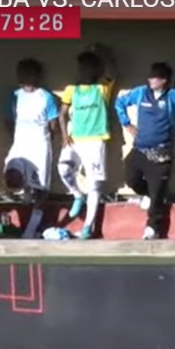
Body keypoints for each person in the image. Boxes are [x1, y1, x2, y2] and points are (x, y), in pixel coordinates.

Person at [115, 60, 175, 240]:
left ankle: (152, 228)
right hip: (140, 150)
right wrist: (126, 124)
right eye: (150, 75)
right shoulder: (141, 93)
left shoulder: (173, 98)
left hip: (161, 154)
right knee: (131, 179)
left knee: (158, 193)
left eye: (155, 76)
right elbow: (120, 103)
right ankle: (148, 195)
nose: (151, 79)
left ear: (165, 80)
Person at [58, 46, 116, 239]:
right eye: (82, 67)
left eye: (89, 67)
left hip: (95, 140)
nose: (85, 71)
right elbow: (62, 113)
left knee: (94, 184)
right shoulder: (71, 90)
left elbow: (114, 73)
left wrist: (104, 54)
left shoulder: (101, 88)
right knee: (63, 168)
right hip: (75, 139)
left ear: (96, 70)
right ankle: (77, 195)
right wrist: (64, 133)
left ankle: (88, 227)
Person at [3, 58, 60, 239]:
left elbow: (53, 125)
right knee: (12, 178)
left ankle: (31, 229)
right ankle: (25, 195)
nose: (23, 76)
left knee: (41, 189)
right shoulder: (14, 96)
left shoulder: (46, 97)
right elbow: (8, 120)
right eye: (21, 72)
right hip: (20, 144)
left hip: (40, 145)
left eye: (28, 72)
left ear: (37, 75)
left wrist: (45, 137)